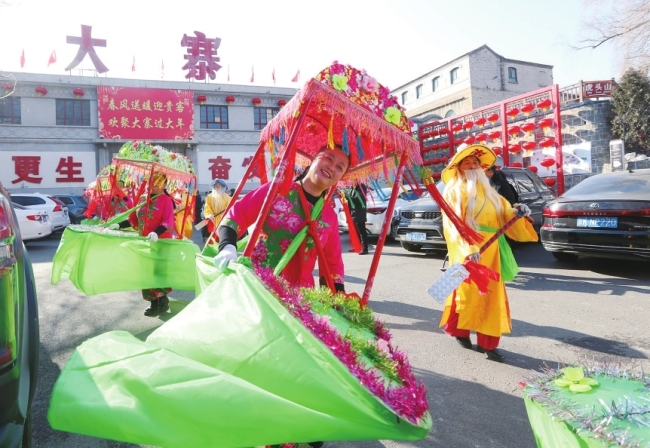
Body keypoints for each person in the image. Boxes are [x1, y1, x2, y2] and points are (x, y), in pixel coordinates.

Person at [439, 144, 537, 362]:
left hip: (491, 251)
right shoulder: (454, 190)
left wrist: (518, 211)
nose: (473, 166)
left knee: (491, 297)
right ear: (458, 168)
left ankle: (488, 344)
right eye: (467, 163)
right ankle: (459, 332)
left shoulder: (491, 192)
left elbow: (505, 213)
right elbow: (453, 225)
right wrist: (468, 249)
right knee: (464, 294)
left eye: (476, 163)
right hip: (469, 250)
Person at [214, 145, 350, 293]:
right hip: (257, 287)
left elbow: (332, 263)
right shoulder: (277, 191)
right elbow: (236, 215)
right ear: (313, 159)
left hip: (300, 299)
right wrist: (227, 247)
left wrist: (338, 300)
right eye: (328, 158)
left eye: (339, 167)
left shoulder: (329, 216)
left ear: (341, 177)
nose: (331, 167)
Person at [112, 172, 175, 316]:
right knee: (146, 271)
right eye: (152, 182)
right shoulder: (142, 199)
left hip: (160, 242)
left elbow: (168, 221)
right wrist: (119, 225)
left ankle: (162, 302)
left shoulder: (166, 200)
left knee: (158, 271)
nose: (155, 186)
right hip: (143, 241)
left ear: (164, 185)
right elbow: (133, 218)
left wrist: (157, 233)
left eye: (159, 184)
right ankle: (153, 302)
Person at [347, 183, 369, 255]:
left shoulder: (361, 186)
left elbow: (359, 198)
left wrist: (348, 197)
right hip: (353, 213)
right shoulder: (352, 187)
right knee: (356, 231)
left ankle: (365, 248)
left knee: (361, 231)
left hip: (359, 212)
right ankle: (358, 247)